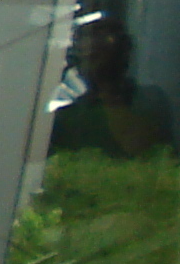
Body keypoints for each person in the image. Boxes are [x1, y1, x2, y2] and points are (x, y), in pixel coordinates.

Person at [49, 16, 174, 160]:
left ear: (122, 51)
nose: (87, 48)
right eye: (82, 41)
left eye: (97, 51)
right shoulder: (66, 113)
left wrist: (109, 95)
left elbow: (138, 148)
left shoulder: (149, 101)